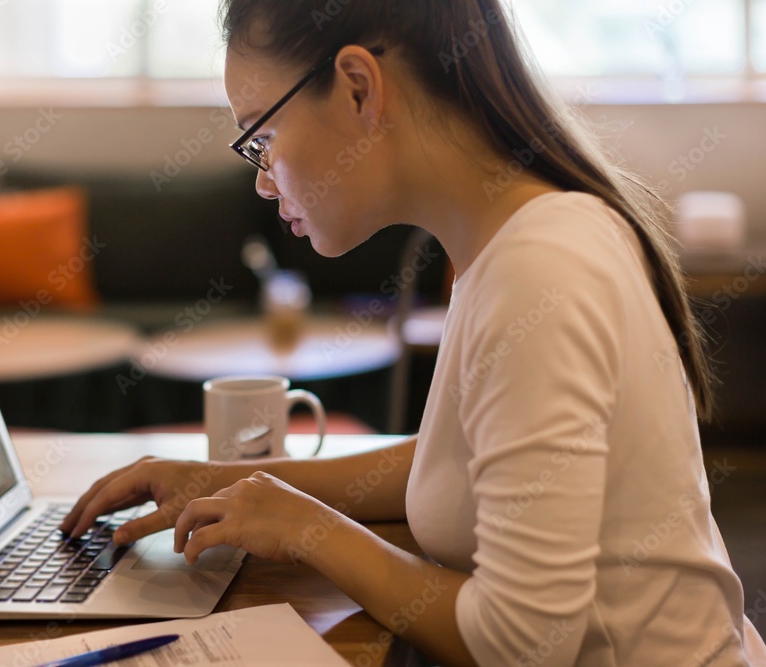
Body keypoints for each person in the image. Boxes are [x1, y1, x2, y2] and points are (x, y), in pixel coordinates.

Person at [62, 1, 766, 664]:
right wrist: (231, 483)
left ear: (358, 88)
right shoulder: (506, 240)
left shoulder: (539, 270)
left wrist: (308, 529)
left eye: (263, 138)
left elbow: (522, 643)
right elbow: (458, 464)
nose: (263, 182)